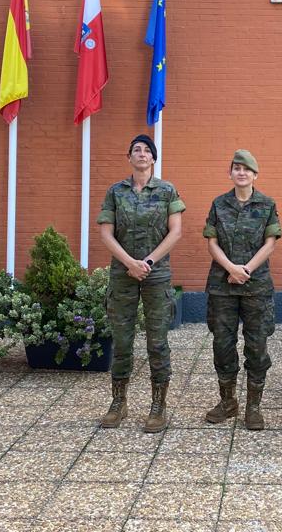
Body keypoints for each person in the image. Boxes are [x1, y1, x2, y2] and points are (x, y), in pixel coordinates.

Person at [96, 134, 185, 432]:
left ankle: (158, 406)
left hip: (155, 274)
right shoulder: (115, 192)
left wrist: (146, 262)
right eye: (137, 149)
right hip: (123, 274)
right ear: (129, 157)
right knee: (121, 340)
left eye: (147, 150)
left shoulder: (167, 191)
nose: (142, 154)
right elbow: (106, 233)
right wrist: (129, 263)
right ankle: (118, 403)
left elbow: (175, 232)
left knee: (157, 341)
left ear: (154, 158)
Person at [202, 149, 282, 430]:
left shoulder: (267, 204)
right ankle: (228, 402)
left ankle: (254, 406)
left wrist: (246, 269)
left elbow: (270, 242)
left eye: (247, 169)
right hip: (223, 287)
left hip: (256, 286)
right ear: (231, 173)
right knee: (222, 346)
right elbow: (211, 243)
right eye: (236, 168)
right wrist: (231, 269)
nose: (241, 173)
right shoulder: (218, 204)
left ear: (255, 175)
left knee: (257, 347)